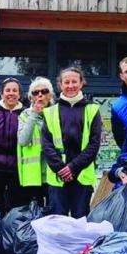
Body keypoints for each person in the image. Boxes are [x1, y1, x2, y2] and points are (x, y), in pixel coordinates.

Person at [41, 67, 102, 218]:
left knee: (80, 220)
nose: (70, 85)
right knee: (57, 221)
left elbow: (94, 144)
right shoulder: (49, 112)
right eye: (66, 82)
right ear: (60, 85)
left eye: (74, 81)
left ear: (81, 83)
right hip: (58, 174)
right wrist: (61, 168)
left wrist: (73, 168)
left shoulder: (92, 110)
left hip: (82, 173)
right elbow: (46, 145)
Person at [0, 77, 27, 215]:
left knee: (17, 210)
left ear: (19, 94)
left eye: (15, 90)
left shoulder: (26, 115)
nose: (11, 93)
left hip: (18, 172)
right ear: (2, 94)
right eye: (7, 90)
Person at [17, 76, 55, 207]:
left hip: (54, 173)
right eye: (35, 93)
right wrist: (33, 115)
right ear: (31, 97)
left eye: (44, 92)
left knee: (53, 214)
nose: (40, 95)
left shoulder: (57, 114)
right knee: (34, 216)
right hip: (33, 176)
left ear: (50, 95)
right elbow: (23, 141)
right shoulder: (25, 116)